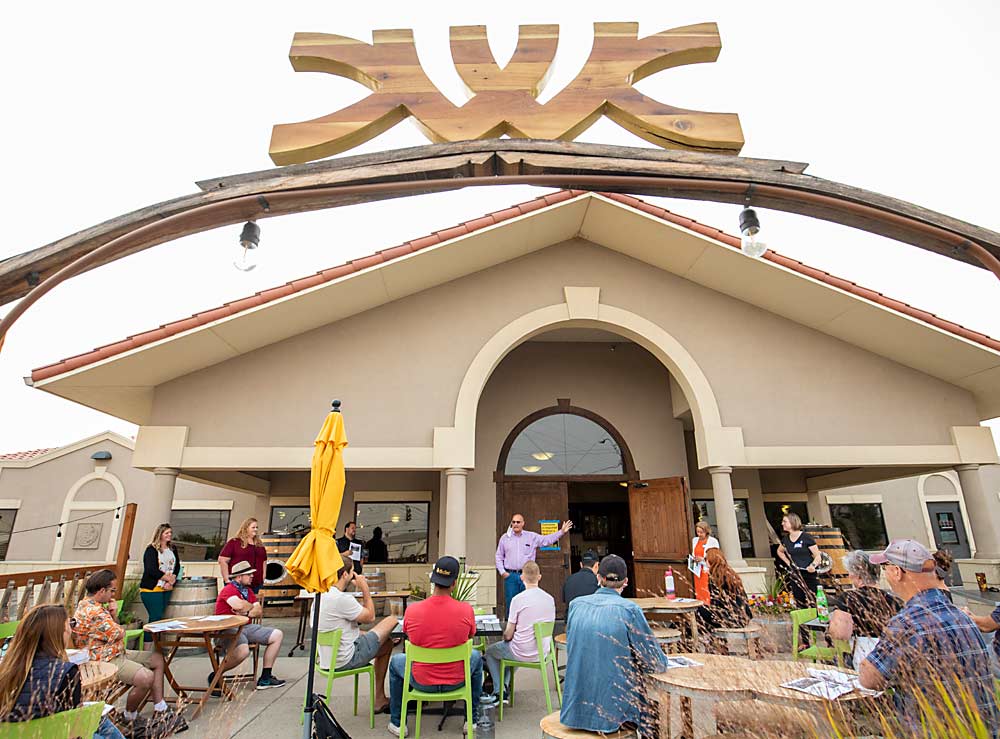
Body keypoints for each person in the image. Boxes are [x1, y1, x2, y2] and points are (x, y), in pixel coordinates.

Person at [859, 539, 998, 736]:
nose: (886, 576)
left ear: (897, 572)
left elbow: (869, 679)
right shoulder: (964, 617)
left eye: (885, 569)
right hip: (982, 730)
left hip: (931, 730)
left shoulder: (907, 623)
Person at [560, 555, 667, 736]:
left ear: (599, 578)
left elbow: (574, 644)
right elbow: (654, 662)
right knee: (653, 708)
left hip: (574, 711)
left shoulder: (576, 606)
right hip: (615, 712)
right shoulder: (629, 610)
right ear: (625, 581)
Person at [72, 569, 183, 733]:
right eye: (112, 591)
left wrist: (114, 615)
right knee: (146, 677)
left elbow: (115, 632)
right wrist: (116, 622)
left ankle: (160, 707)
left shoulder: (94, 606)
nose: (113, 594)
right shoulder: (93, 612)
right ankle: (129, 715)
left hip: (116, 652)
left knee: (157, 659)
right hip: (104, 660)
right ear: (102, 591)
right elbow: (119, 633)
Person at [388, 556, 483, 736]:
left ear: (433, 579)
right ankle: (472, 719)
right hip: (457, 680)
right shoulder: (465, 610)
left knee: (396, 662)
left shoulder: (413, 610)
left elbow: (409, 635)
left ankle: (398, 722)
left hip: (421, 680)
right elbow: (471, 635)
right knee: (476, 656)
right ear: (454, 583)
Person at [0, 603, 125, 738]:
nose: (71, 631)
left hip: (14, 734)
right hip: (52, 734)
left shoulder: (7, 668)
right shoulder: (65, 672)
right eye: (70, 624)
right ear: (58, 633)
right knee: (101, 722)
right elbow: (74, 726)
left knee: (101, 721)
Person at [317, 556, 397, 713]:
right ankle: (380, 699)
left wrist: (366, 634)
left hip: (327, 660)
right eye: (353, 572)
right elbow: (371, 616)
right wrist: (365, 588)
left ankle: (380, 699)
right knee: (391, 619)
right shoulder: (341, 599)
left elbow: (336, 630)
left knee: (386, 644)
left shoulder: (321, 596)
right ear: (345, 575)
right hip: (347, 658)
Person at [482, 561, 555, 704]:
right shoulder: (550, 599)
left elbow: (508, 635)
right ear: (539, 577)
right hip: (542, 652)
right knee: (509, 653)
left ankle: (499, 691)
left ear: (522, 577)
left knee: (492, 652)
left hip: (521, 651)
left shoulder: (518, 600)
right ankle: (504, 688)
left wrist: (507, 636)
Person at [211, 561, 286, 690]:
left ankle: (265, 678)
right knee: (243, 650)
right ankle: (216, 675)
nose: (252, 576)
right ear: (239, 577)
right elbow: (238, 606)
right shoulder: (228, 589)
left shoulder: (248, 591)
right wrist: (248, 608)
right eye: (249, 574)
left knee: (277, 635)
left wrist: (246, 610)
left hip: (246, 626)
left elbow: (258, 611)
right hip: (228, 629)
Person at [827, 550, 902, 667]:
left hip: (863, 656)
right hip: (894, 657)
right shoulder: (894, 600)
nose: (849, 576)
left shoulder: (849, 598)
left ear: (857, 576)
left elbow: (840, 634)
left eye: (849, 573)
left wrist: (831, 626)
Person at [495, 514, 573, 613]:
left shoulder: (531, 536)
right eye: (513, 522)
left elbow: (546, 540)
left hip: (528, 575)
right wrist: (503, 572)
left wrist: (561, 532)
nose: (515, 524)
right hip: (511, 576)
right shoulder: (505, 538)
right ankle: (512, 627)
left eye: (518, 522)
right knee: (511, 603)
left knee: (528, 603)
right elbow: (498, 556)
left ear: (523, 523)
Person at [695, 548, 752, 650]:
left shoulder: (716, 577)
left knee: (696, 611)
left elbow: (716, 604)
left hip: (729, 618)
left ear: (711, 561)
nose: (705, 560)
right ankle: (715, 645)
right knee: (701, 613)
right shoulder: (729, 573)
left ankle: (693, 643)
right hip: (743, 617)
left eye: (706, 558)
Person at [775, 513, 821, 610]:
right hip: (795, 573)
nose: (782, 523)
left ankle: (818, 621)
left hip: (808, 573)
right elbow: (779, 551)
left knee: (815, 599)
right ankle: (803, 623)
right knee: (799, 600)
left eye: (785, 521)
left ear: (792, 522)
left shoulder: (806, 537)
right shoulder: (786, 540)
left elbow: (818, 556)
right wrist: (789, 563)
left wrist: (813, 565)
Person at [140, 522, 181, 623]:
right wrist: (167, 578)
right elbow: (151, 569)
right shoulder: (151, 549)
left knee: (160, 616)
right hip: (152, 587)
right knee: (155, 616)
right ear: (160, 534)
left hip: (167, 587)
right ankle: (148, 638)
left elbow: (177, 565)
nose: (169, 535)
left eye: (170, 532)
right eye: (166, 533)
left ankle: (155, 638)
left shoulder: (172, 549)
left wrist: (172, 580)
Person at [218, 517, 267, 594]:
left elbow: (264, 561)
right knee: (238, 605)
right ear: (246, 528)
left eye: (257, 527)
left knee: (252, 605)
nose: (256, 529)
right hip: (238, 583)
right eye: (253, 527)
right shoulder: (234, 542)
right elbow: (222, 560)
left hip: (256, 584)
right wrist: (227, 579)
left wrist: (263, 577)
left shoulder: (260, 545)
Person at [691, 520, 720, 604]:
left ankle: (708, 606)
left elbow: (715, 556)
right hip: (697, 570)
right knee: (698, 589)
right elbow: (694, 552)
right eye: (697, 532)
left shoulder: (713, 541)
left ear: (706, 531)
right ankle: (700, 606)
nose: (699, 534)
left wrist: (703, 559)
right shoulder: (695, 540)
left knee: (707, 589)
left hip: (707, 570)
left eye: (701, 532)